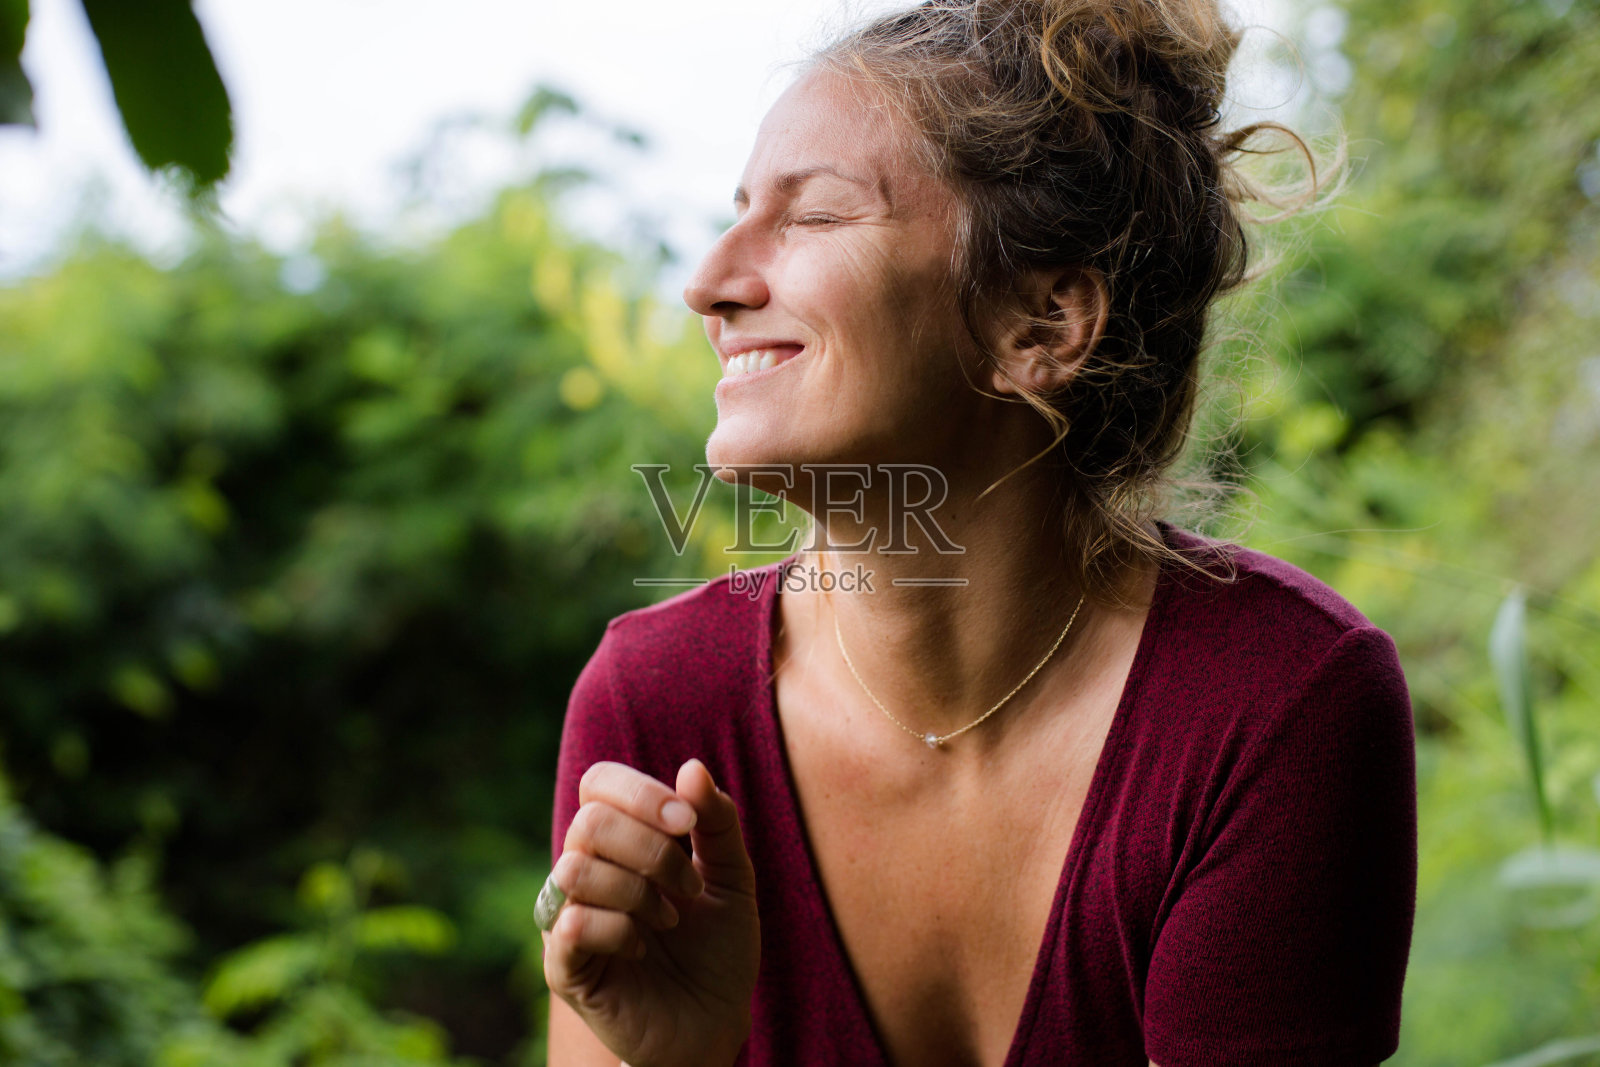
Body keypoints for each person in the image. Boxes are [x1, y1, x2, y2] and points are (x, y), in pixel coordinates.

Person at [539, 0, 1418, 1064]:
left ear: (1039, 325)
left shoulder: (1276, 707)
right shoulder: (653, 706)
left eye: (812, 217)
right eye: (736, 212)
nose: (709, 283)